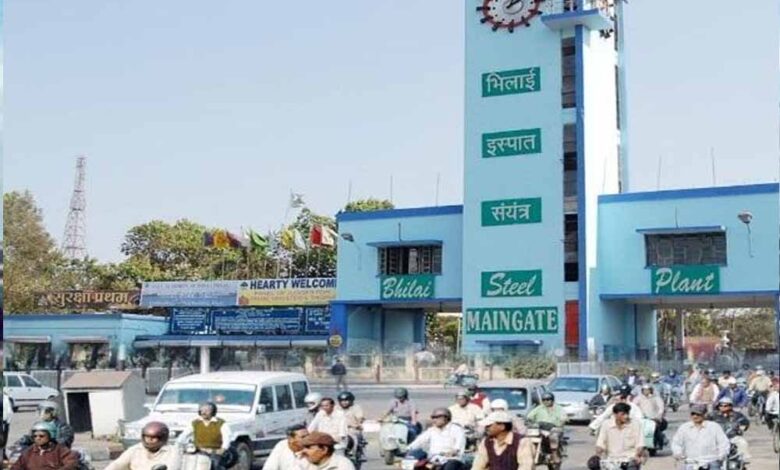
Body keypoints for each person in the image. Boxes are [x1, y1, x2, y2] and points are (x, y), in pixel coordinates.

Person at [671, 404, 730, 469]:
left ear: (704, 414)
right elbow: (676, 443)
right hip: (691, 461)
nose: (695, 416)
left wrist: (722, 454)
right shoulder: (684, 427)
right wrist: (678, 453)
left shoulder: (714, 426)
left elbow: (723, 442)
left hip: (711, 461)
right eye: (693, 414)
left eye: (698, 414)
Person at [177, 401, 232, 470]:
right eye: (202, 410)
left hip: (214, 451)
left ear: (213, 411)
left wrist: (223, 449)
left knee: (214, 466)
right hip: (198, 451)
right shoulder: (195, 423)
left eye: (207, 410)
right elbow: (184, 434)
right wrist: (179, 444)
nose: (204, 412)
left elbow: (227, 437)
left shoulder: (220, 423)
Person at [589, 403, 644, 470]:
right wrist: (597, 455)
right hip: (612, 460)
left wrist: (637, 455)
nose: (626, 416)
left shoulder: (635, 424)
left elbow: (640, 445)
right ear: (615, 415)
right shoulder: (606, 425)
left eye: (627, 414)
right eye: (623, 414)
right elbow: (601, 443)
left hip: (629, 459)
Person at [106, 421, 181, 470]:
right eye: (147, 437)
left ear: (162, 438)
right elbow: (117, 464)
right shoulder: (135, 449)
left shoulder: (172, 452)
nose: (149, 440)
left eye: (153, 438)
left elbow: (173, 467)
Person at [11, 421, 78, 470]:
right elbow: (17, 467)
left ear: (51, 436)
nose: (38, 438)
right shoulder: (29, 452)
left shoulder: (60, 450)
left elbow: (71, 464)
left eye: (41, 436)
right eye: (35, 436)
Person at [525, 392, 566, 465]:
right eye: (544, 400)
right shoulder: (539, 408)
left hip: (554, 428)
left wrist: (561, 422)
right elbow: (529, 416)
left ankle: (554, 454)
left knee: (553, 437)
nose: (546, 401)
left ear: (552, 400)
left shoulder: (558, 408)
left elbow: (563, 418)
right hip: (541, 428)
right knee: (527, 436)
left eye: (548, 399)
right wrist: (527, 420)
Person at [707, 397, 751, 463]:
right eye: (721, 405)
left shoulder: (737, 415)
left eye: (725, 405)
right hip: (716, 438)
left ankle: (743, 459)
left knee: (742, 442)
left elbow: (745, 422)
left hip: (732, 436)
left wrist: (742, 427)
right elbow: (705, 423)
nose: (723, 407)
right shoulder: (712, 415)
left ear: (730, 406)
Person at [633, 383, 666, 449]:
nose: (646, 391)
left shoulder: (656, 398)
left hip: (654, 418)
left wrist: (658, 416)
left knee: (656, 428)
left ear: (651, 390)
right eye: (644, 390)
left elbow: (661, 408)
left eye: (648, 390)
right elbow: (633, 406)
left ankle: (659, 442)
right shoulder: (638, 398)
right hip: (642, 419)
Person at [2, 392, 13, 460]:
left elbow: (9, 412)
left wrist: (7, 422)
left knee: (4, 439)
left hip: (5, 422)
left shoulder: (5, 397)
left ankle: (3, 453)